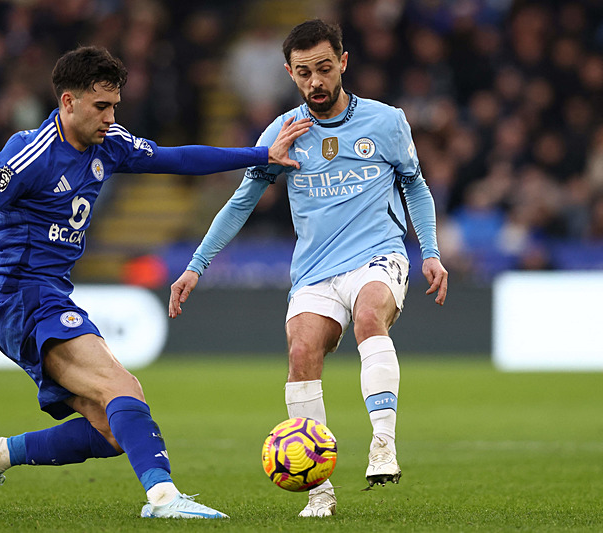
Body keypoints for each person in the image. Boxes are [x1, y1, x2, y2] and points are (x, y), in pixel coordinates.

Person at [0, 45, 310, 519]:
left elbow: (175, 159)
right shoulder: (29, 154)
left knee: (113, 430)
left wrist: (261, 154)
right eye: (100, 107)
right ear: (67, 102)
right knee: (122, 388)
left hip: (50, 294)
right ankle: (163, 498)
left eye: (115, 106)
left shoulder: (108, 142)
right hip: (22, 297)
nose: (110, 117)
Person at [168, 20, 448, 518]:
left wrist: (430, 251)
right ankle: (320, 493)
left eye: (323, 68)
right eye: (303, 73)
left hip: (378, 255)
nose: (315, 81)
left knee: (368, 319)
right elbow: (241, 202)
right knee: (301, 352)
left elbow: (416, 186)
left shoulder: (387, 121)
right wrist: (196, 266)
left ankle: (383, 444)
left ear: (343, 62)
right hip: (315, 269)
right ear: (289, 74)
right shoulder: (282, 132)